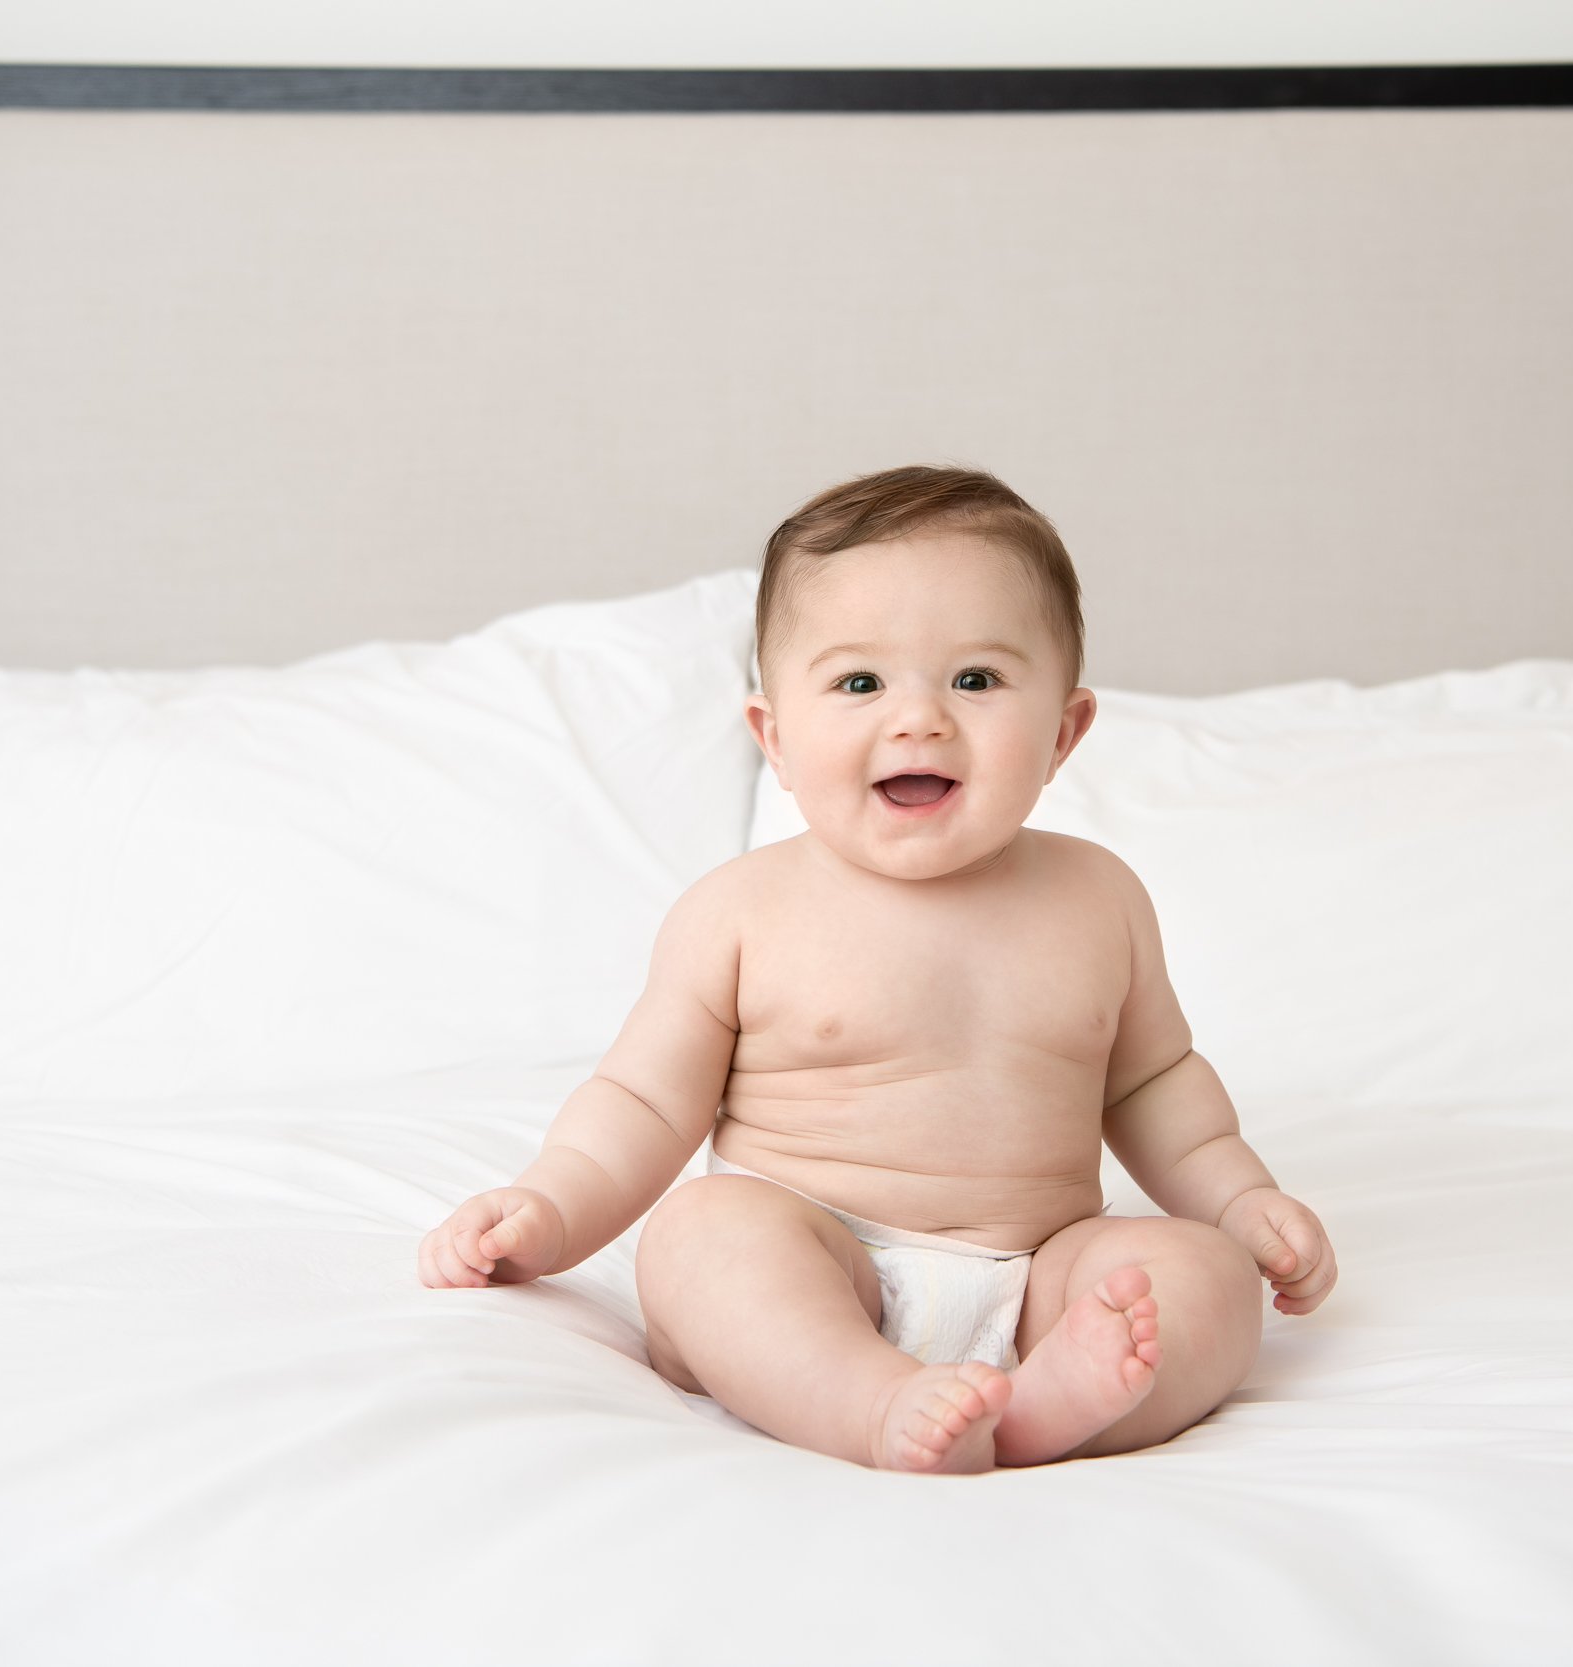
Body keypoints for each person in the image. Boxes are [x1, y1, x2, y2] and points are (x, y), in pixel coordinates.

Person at [418, 464, 1337, 1472]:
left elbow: (1157, 1082)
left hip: (1038, 1271)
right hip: (816, 1256)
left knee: (1202, 1277)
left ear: (1064, 733)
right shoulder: (738, 912)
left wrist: (1239, 1200)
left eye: (975, 680)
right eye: (860, 682)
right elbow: (640, 1100)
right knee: (703, 1233)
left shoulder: (1099, 898)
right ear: (775, 734)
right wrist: (549, 1208)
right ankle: (870, 1403)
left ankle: (1039, 1405)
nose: (919, 719)